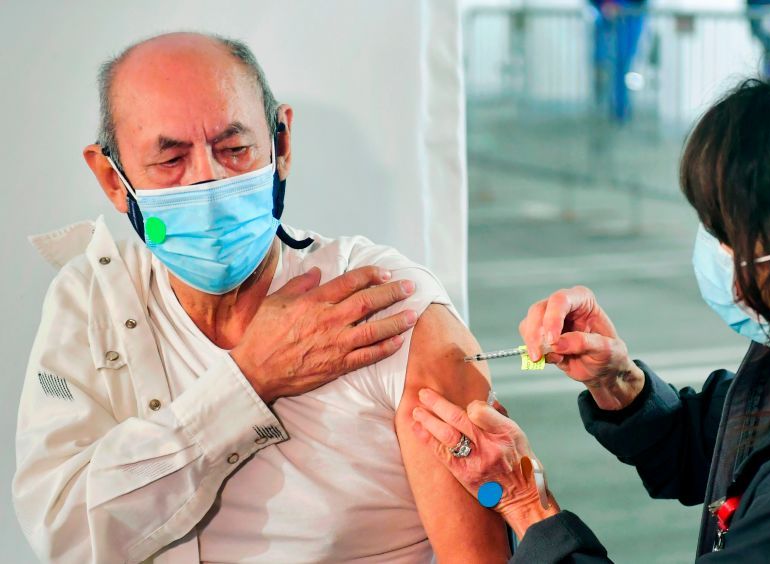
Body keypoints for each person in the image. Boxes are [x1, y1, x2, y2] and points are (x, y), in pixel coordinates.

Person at [412, 25, 770, 562]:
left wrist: (522, 501)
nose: (715, 248)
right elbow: (732, 447)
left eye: (728, 233)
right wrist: (621, 386)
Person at [13, 33, 509, 563]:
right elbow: (63, 530)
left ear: (282, 143)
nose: (208, 179)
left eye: (234, 148)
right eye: (171, 159)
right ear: (113, 180)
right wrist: (247, 380)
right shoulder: (94, 304)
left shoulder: (385, 308)